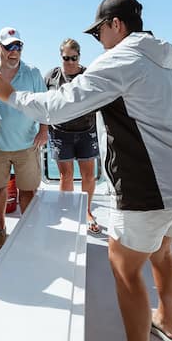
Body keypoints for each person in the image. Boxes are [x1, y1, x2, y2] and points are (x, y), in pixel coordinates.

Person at [0, 0, 172, 341]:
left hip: (148, 187)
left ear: (116, 24)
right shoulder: (161, 58)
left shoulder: (121, 59)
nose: (98, 40)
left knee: (124, 266)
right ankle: (167, 323)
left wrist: (11, 95)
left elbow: (59, 106)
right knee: (162, 254)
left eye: (99, 31)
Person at [0, 27, 48, 250]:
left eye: (18, 46)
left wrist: (44, 130)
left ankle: (27, 230)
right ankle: (0, 228)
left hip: (28, 144)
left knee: (28, 191)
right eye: (9, 46)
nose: (14, 51)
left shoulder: (33, 73)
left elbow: (44, 104)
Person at [44, 38, 101, 234]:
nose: (69, 62)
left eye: (73, 58)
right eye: (66, 58)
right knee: (66, 175)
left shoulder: (88, 75)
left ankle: (86, 211)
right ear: (61, 57)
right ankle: (67, 211)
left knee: (88, 175)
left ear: (79, 57)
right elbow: (43, 103)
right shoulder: (51, 76)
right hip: (60, 132)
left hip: (86, 131)